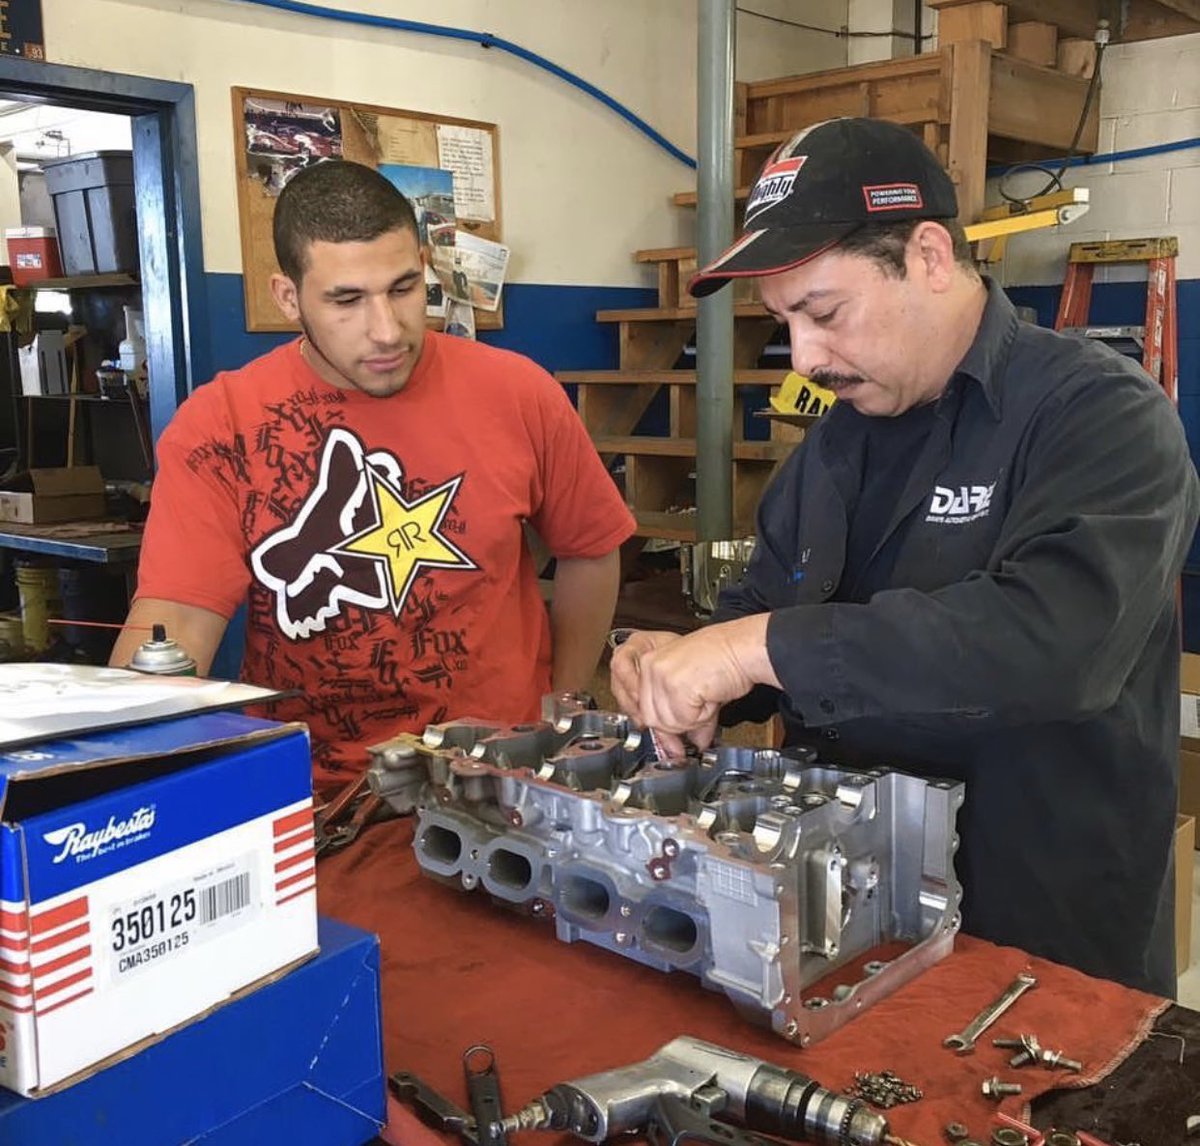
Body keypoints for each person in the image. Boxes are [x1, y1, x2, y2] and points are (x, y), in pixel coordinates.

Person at [611, 117, 1200, 997]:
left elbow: (1052, 646)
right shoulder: (831, 448)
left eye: (824, 313)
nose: (805, 357)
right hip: (845, 920)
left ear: (928, 255)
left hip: (1037, 934)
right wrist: (686, 671)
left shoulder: (1099, 415)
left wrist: (752, 648)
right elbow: (767, 616)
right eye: (782, 324)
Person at [112, 160, 635, 798]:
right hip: (312, 792)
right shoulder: (221, 426)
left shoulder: (520, 392)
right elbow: (176, 623)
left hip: (499, 778)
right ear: (288, 297)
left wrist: (564, 702)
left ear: (424, 265)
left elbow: (590, 548)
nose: (386, 330)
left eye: (404, 287)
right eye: (347, 300)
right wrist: (122, 773)